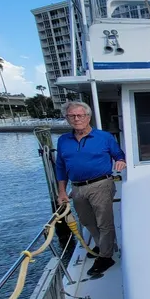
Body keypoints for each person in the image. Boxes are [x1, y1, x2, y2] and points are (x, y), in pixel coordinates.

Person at [56, 101, 126, 275]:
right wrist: (62, 192)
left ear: (88, 117)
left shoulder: (104, 137)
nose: (77, 119)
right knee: (87, 222)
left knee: (104, 222)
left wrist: (120, 161)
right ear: (67, 118)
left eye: (80, 115)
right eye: (72, 116)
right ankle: (102, 246)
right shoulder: (63, 140)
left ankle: (105, 256)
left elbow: (119, 155)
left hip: (101, 184)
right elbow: (60, 167)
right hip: (77, 188)